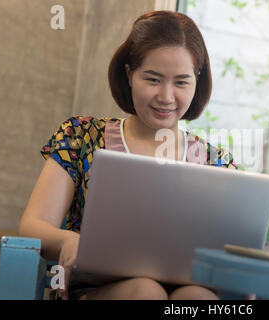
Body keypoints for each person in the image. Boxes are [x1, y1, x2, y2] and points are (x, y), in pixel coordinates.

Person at [18, 10, 238, 300]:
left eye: (181, 82)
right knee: (145, 292)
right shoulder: (80, 136)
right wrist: (68, 241)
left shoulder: (216, 163)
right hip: (93, 290)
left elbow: (233, 251)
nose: (167, 96)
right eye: (153, 79)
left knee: (198, 298)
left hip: (184, 291)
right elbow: (32, 226)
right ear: (128, 73)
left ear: (198, 81)